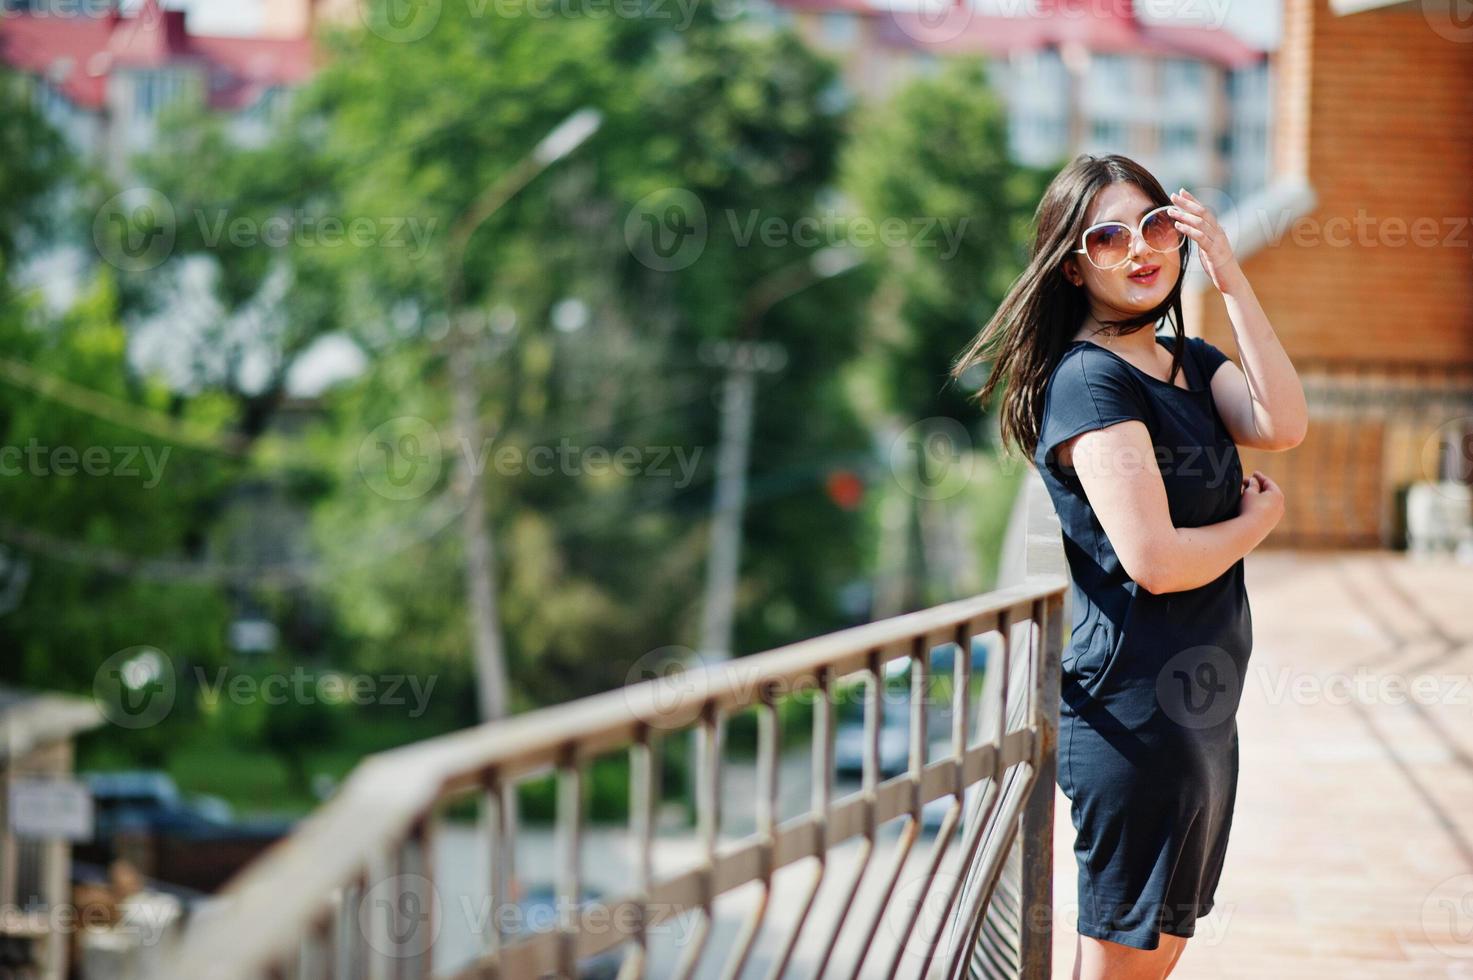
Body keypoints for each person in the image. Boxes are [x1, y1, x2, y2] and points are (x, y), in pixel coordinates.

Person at [950, 154, 1306, 979]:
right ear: (1072, 265)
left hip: (1199, 716)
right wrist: (1257, 522)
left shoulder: (1186, 360)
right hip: (1133, 720)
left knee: (1156, 961)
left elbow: (1281, 423)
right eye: (1108, 236)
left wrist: (1228, 271)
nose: (1139, 250)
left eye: (1153, 226)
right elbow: (1154, 562)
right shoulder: (1089, 382)